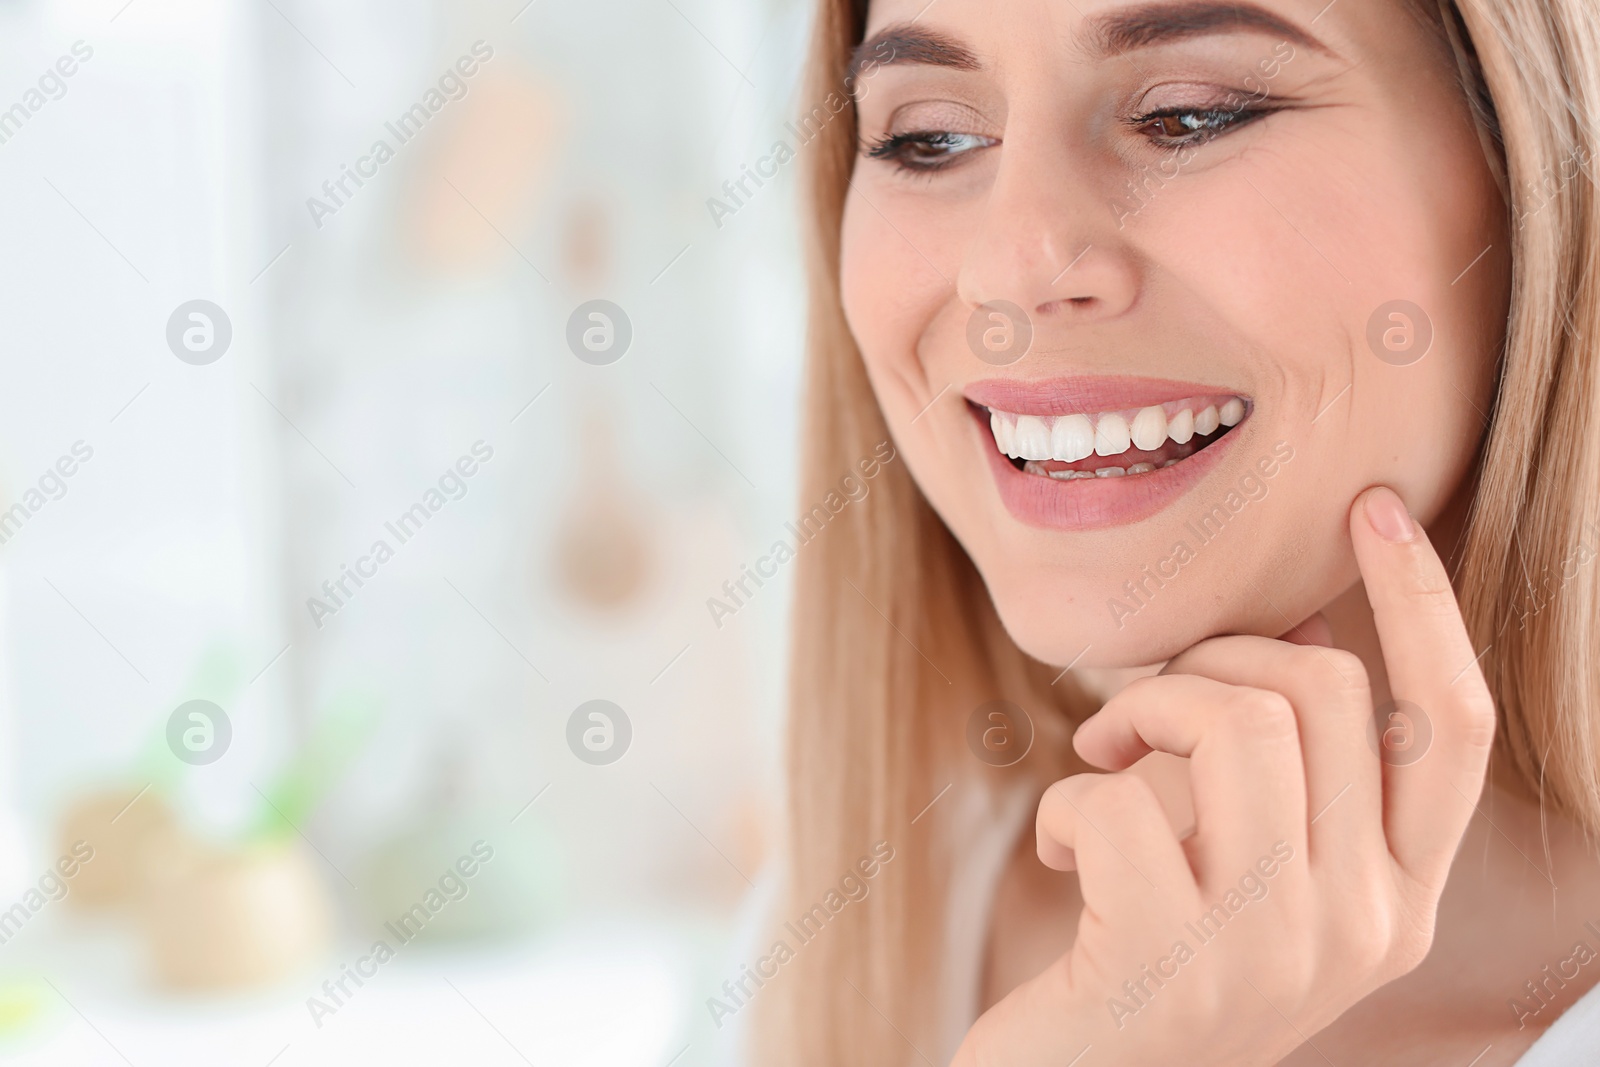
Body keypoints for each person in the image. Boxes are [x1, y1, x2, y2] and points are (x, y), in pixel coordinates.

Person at [753, 0, 1600, 1062]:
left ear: (1529, 176)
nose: (1012, 270)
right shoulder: (843, 930)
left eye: (1192, 116)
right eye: (929, 137)